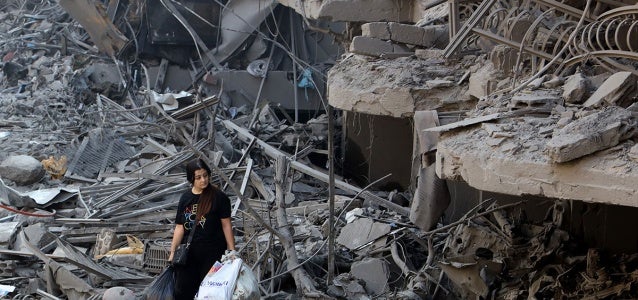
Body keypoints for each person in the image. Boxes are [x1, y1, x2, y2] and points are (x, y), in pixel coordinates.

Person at [168, 158, 236, 299]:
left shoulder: (219, 198)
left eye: (205, 175)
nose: (203, 180)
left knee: (209, 292)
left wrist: (231, 251)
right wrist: (173, 251)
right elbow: (180, 227)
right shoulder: (185, 198)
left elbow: (226, 225)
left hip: (213, 253)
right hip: (189, 253)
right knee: (183, 290)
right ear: (191, 179)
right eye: (198, 177)